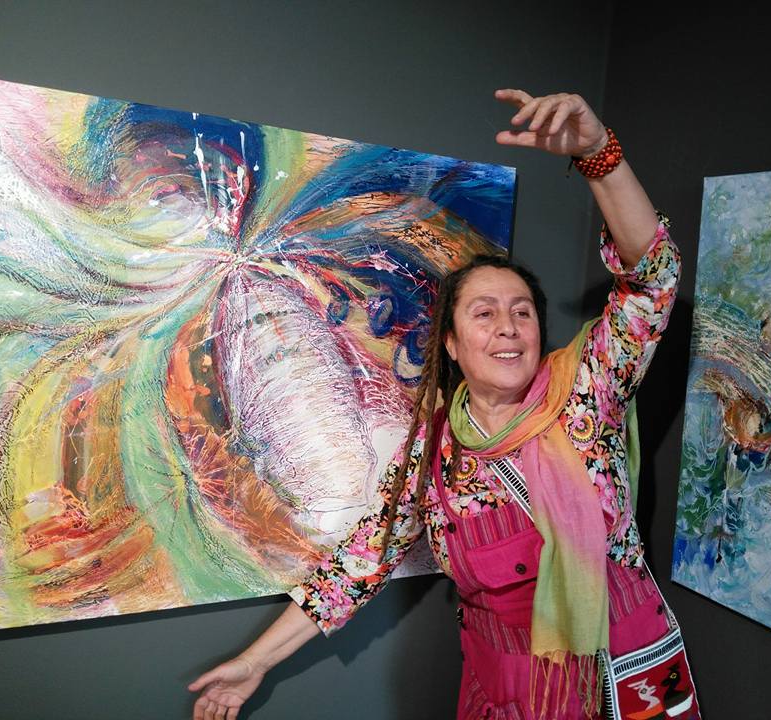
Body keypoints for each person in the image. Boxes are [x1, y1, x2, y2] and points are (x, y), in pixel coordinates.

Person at [189, 88, 697, 720]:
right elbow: (358, 565)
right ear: (452, 344)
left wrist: (599, 153)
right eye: (484, 314)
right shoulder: (432, 452)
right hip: (506, 694)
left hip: (623, 682)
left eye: (522, 313)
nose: (508, 327)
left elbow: (653, 280)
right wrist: (254, 663)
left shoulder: (588, 390)